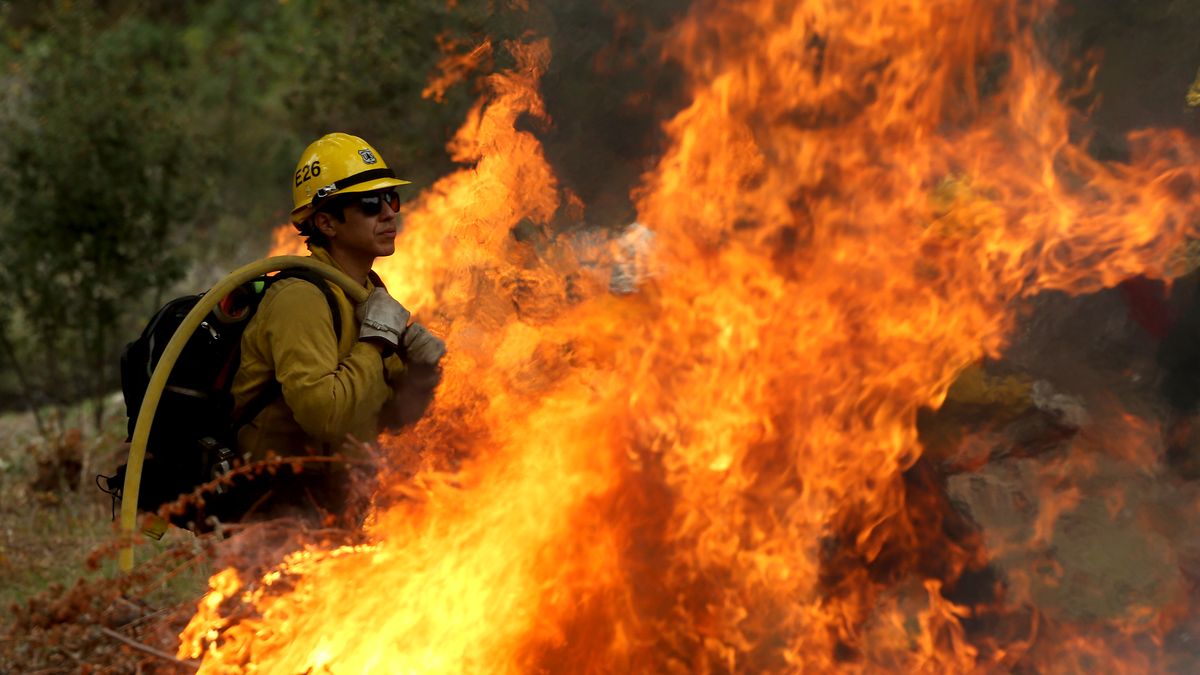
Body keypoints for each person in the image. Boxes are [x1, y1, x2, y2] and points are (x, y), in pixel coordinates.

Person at [226, 132, 445, 525]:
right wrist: (376, 341)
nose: (389, 213)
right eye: (368, 204)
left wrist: (423, 373)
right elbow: (327, 417)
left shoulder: (365, 292)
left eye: (390, 199)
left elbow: (386, 415)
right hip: (275, 507)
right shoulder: (300, 298)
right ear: (326, 222)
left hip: (336, 494)